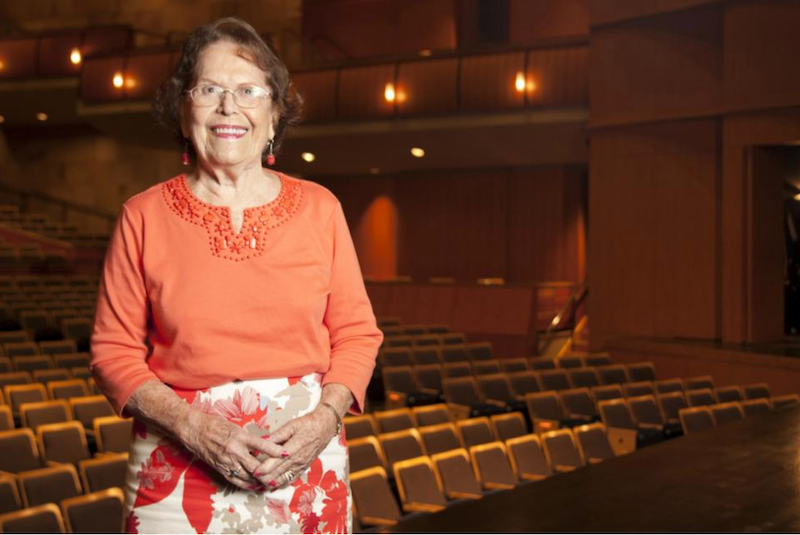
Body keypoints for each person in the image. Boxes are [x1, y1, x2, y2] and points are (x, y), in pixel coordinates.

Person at [89, 17, 383, 534]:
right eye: (209, 89)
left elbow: (357, 335)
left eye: (249, 90)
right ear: (184, 110)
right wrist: (193, 427)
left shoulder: (321, 208)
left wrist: (324, 420)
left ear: (273, 116)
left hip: (305, 461)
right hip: (179, 465)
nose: (229, 107)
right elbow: (112, 354)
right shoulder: (141, 215)